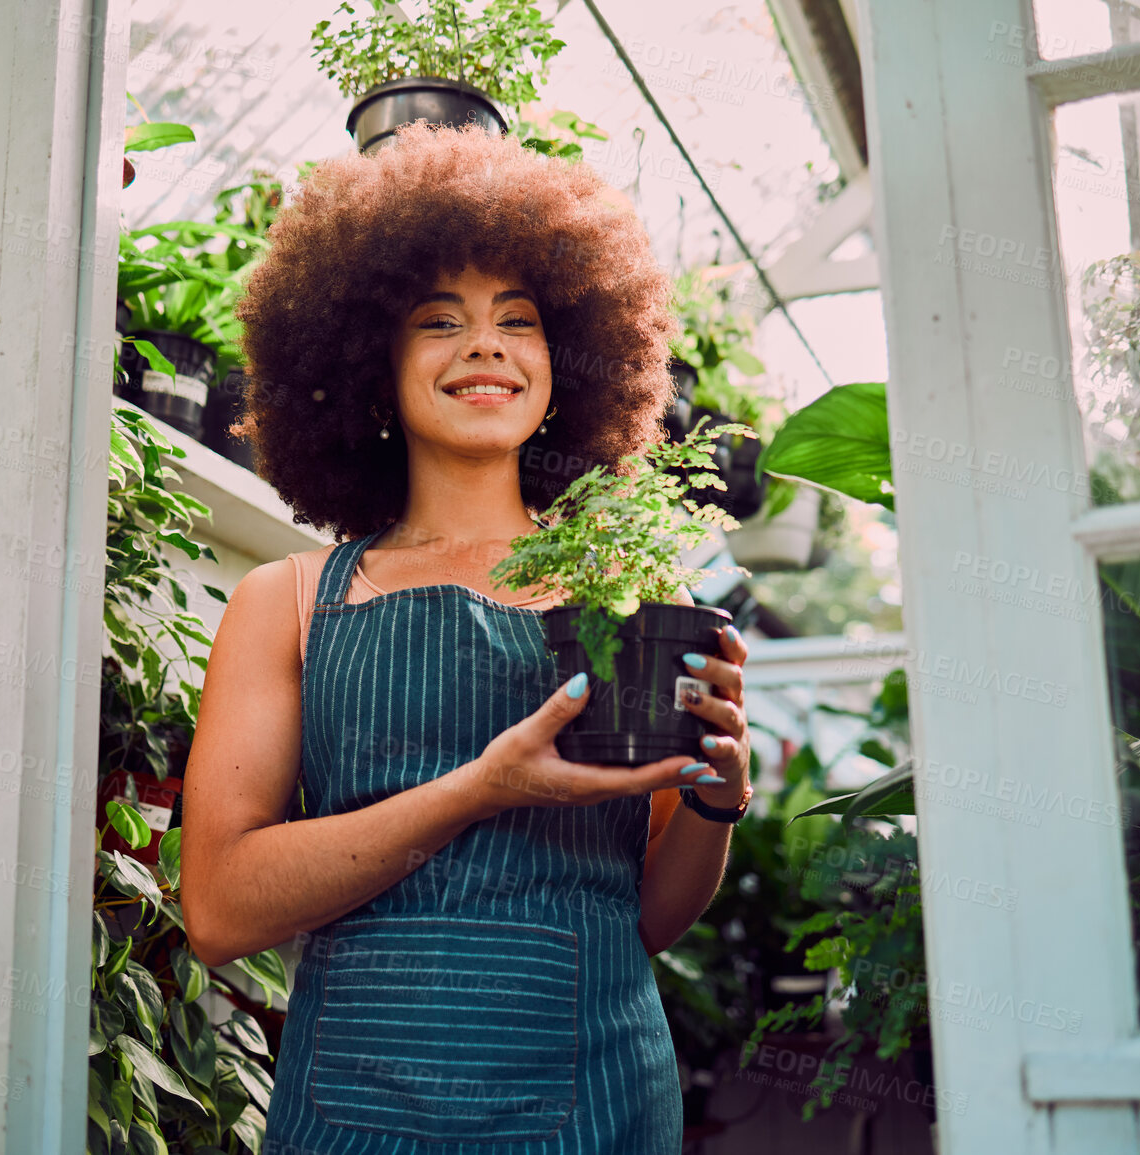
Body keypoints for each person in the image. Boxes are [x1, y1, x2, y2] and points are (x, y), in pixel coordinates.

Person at [180, 121, 752, 1154]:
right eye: (439, 321)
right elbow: (220, 910)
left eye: (519, 321)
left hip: (598, 1107)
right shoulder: (288, 601)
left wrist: (718, 793)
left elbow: (652, 919)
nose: (485, 345)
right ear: (370, 365)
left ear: (566, 363)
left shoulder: (629, 596)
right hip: (358, 1116)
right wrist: (482, 787)